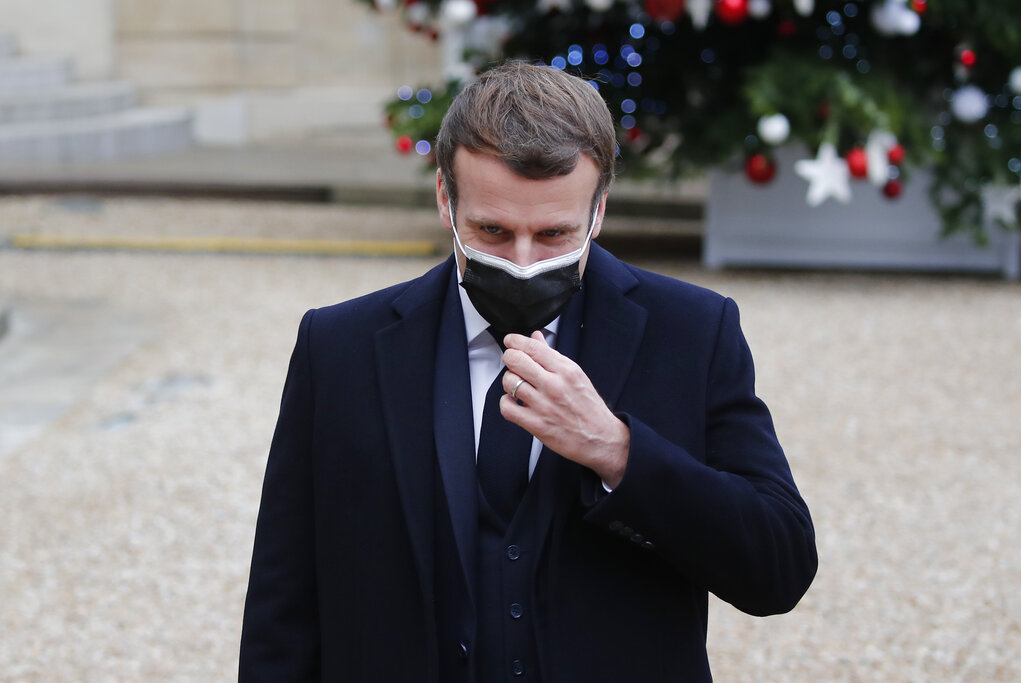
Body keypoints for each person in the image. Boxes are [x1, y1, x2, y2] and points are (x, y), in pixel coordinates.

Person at [239, 61, 816, 682]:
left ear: (597, 212)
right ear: (445, 199)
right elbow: (284, 598)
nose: (521, 261)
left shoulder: (693, 332)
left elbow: (778, 566)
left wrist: (617, 451)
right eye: (492, 231)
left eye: (553, 234)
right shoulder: (339, 347)